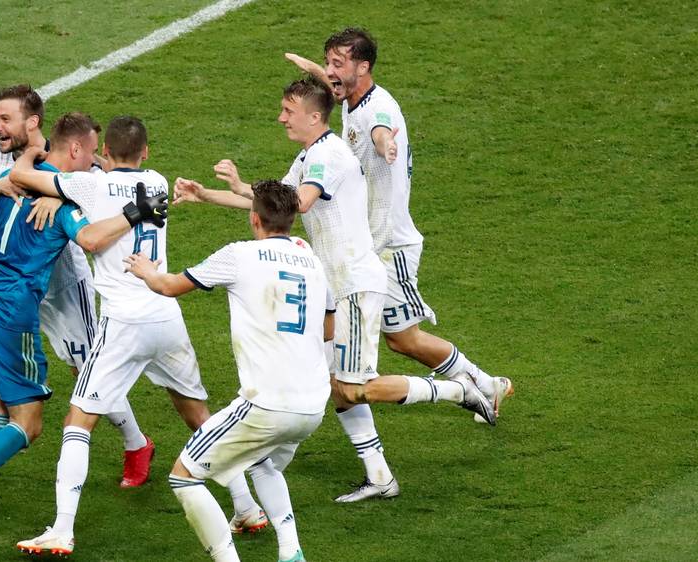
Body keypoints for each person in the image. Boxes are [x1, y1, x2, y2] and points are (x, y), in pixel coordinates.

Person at [174, 76, 496, 504]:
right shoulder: (310, 154)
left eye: (288, 111)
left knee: (355, 388)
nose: (281, 118)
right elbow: (275, 204)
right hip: (334, 287)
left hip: (354, 286)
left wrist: (237, 188)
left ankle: (458, 389)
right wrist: (209, 195)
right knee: (335, 383)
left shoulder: (328, 155)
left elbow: (300, 203)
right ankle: (379, 475)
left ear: (314, 116)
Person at [0, 116, 266, 557]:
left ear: (104, 151)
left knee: (79, 420)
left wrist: (37, 163)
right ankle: (247, 505)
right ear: (146, 152)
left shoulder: (90, 185)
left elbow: (23, 176)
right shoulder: (156, 181)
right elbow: (121, 182)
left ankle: (62, 529)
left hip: (123, 321)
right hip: (166, 315)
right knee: (199, 416)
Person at [0, 113, 169, 540]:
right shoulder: (64, 206)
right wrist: (135, 212)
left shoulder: (11, 184)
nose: (94, 162)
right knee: (29, 423)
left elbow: (11, 186)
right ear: (75, 149)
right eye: (91, 153)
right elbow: (91, 240)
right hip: (11, 313)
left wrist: (39, 170)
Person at [285, 28, 514, 434]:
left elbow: (381, 127)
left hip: (389, 246)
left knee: (403, 339)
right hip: (364, 246)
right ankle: (335, 390)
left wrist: (384, 143)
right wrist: (318, 73)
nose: (331, 71)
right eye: (328, 62)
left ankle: (480, 384)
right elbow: (340, 93)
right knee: (366, 333)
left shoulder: (379, 109)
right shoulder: (353, 99)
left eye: (338, 64)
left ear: (363, 67)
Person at [125, 179, 331, 562]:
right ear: (291, 219)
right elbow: (329, 328)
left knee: (183, 476)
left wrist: (146, 270)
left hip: (267, 405)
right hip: (313, 405)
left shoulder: (240, 255)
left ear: (255, 218)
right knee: (258, 458)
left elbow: (169, 287)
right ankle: (291, 552)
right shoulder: (313, 260)